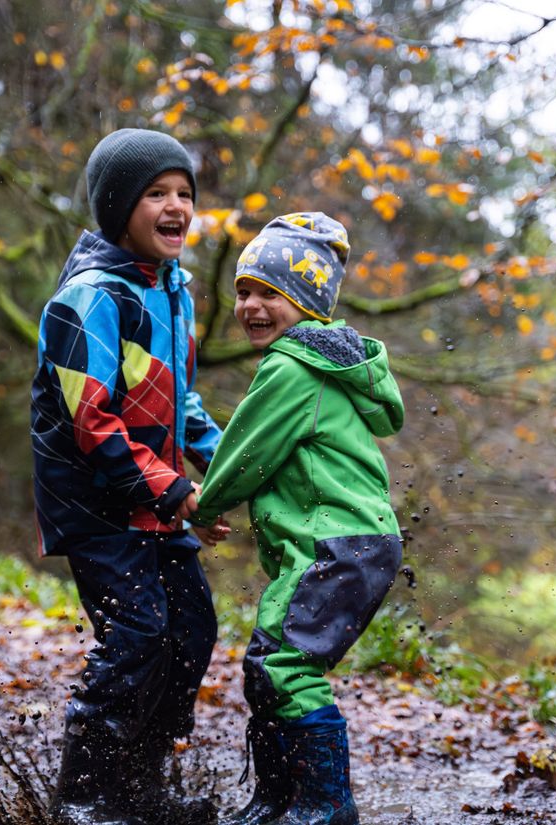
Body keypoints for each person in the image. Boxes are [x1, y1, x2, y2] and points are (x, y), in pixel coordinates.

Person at [30, 127, 229, 825]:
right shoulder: (88, 298)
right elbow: (93, 422)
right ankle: (83, 795)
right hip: (96, 504)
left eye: (184, 193)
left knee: (191, 630)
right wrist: (177, 491)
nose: (177, 207)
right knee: (139, 634)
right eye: (156, 194)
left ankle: (142, 786)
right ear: (119, 207)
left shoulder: (173, 292)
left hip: (153, 501)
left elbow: (180, 403)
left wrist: (227, 467)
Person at [190, 213, 405, 825]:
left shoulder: (291, 369)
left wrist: (203, 506)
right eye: (243, 291)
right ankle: (277, 800)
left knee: (285, 666)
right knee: (271, 665)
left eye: (270, 293)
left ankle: (324, 806)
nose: (251, 307)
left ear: (308, 303)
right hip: (351, 542)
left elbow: (246, 453)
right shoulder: (322, 364)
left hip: (337, 544)